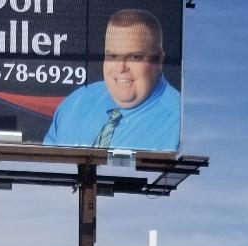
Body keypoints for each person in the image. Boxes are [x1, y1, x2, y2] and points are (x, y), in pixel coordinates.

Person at [43, 8, 180, 152]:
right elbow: (45, 169)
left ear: (160, 59)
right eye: (112, 56)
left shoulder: (179, 126)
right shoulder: (75, 104)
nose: (121, 68)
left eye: (135, 57)